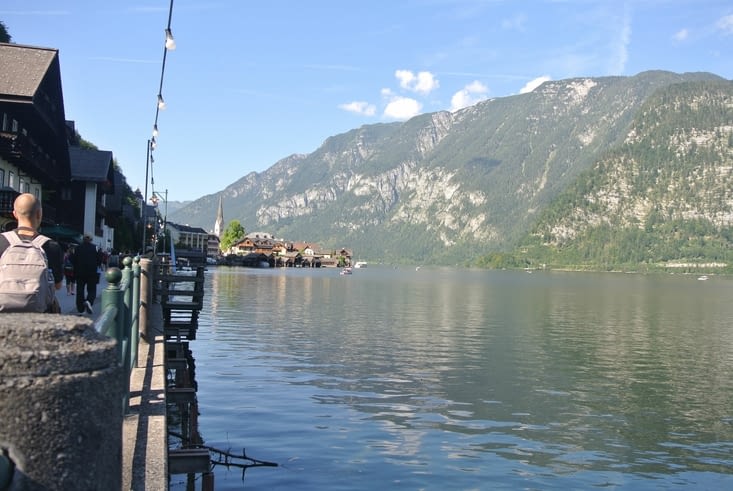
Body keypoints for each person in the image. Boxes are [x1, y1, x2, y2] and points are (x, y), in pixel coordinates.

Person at [0, 193, 63, 312]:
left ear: (15, 214)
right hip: (39, 317)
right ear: (39, 214)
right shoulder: (52, 246)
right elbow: (57, 285)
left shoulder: (1, 241)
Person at [72, 233, 101, 315]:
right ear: (91, 239)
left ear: (83, 239)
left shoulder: (77, 248)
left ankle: (80, 308)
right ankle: (89, 301)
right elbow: (99, 259)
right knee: (92, 289)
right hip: (92, 272)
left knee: (80, 290)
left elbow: (73, 259)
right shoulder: (95, 248)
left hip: (79, 272)